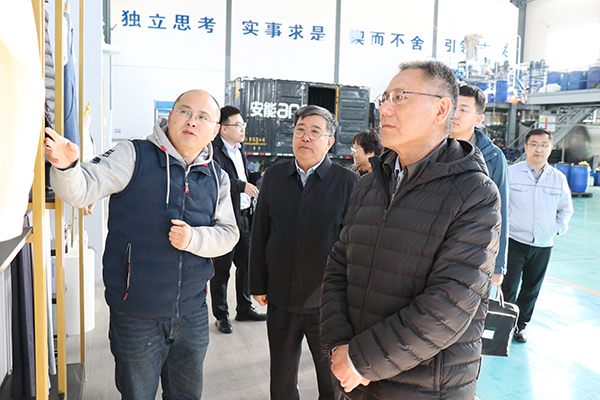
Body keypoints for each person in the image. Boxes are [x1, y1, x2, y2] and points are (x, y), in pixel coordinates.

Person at [320, 60, 501, 399]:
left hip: (425, 387)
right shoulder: (370, 185)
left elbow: (451, 303)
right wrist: (339, 346)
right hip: (356, 380)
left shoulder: (474, 193)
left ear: (441, 109)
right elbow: (338, 267)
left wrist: (360, 360)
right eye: (384, 98)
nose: (384, 109)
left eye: (400, 97)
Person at [44, 89, 239, 399]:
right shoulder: (133, 154)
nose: (192, 121)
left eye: (203, 117)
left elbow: (229, 234)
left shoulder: (217, 177)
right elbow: (82, 190)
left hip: (192, 313)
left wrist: (194, 239)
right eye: (185, 112)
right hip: (136, 315)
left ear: (215, 130)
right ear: (170, 116)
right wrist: (67, 168)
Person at [250, 105, 359, 400]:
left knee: (332, 380)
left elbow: (355, 246)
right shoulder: (275, 176)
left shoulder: (347, 182)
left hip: (327, 302)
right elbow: (260, 232)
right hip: (280, 297)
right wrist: (257, 283)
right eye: (300, 130)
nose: (305, 137)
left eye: (314, 132)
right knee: (281, 378)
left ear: (329, 141)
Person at [502, 128, 573, 343]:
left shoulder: (558, 178)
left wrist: (555, 229)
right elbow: (500, 204)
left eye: (543, 145)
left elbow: (565, 209)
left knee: (531, 289)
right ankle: (504, 326)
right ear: (526, 147)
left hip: (542, 244)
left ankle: (520, 326)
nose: (538, 149)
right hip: (514, 240)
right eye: (533, 144)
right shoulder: (511, 173)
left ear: (550, 148)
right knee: (509, 286)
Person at [210, 105, 266, 334]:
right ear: (224, 129)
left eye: (243, 125)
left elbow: (243, 176)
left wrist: (258, 176)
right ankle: (221, 316)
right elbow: (216, 180)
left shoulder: (240, 149)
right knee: (221, 271)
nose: (243, 129)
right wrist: (242, 186)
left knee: (246, 266)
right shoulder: (213, 151)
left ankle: (244, 308)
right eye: (239, 125)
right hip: (225, 221)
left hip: (244, 219)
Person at [450, 84, 509, 285]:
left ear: (478, 119)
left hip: (472, 251)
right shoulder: (431, 147)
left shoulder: (493, 157)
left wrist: (498, 265)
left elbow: (500, 212)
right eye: (453, 107)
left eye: (463, 109)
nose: (455, 114)